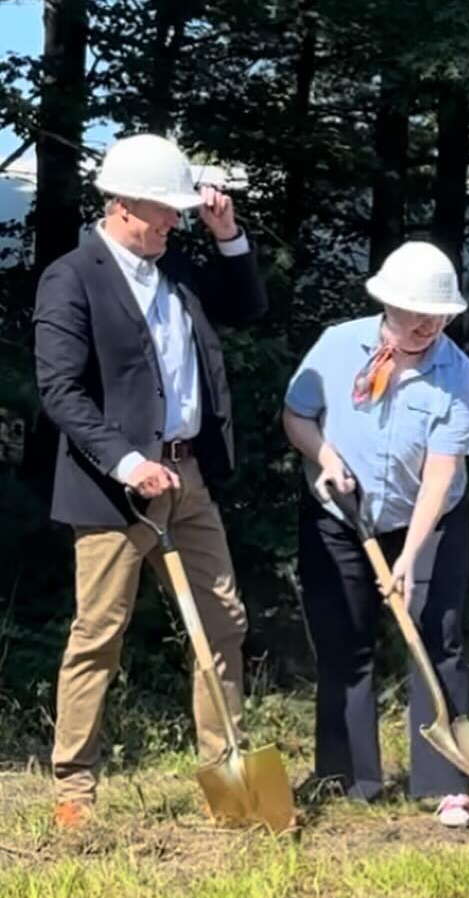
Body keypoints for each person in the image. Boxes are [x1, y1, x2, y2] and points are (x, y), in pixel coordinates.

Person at [34, 134, 266, 828]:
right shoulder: (72, 276)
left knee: (223, 622)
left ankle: (227, 781)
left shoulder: (181, 269)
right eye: (164, 211)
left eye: (179, 211)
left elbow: (247, 307)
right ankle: (74, 791)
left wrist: (228, 236)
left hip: (187, 474)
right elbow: (59, 390)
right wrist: (127, 462)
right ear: (122, 204)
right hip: (113, 488)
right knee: (99, 632)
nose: (174, 221)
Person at [282, 241, 469, 828]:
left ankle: (445, 781)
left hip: (430, 520)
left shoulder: (458, 373)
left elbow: (442, 475)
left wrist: (410, 558)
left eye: (437, 315)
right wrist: (324, 456)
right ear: (386, 305)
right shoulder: (339, 345)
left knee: (435, 638)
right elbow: (296, 415)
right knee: (344, 642)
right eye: (413, 313)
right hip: (340, 517)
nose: (425, 326)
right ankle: (349, 778)